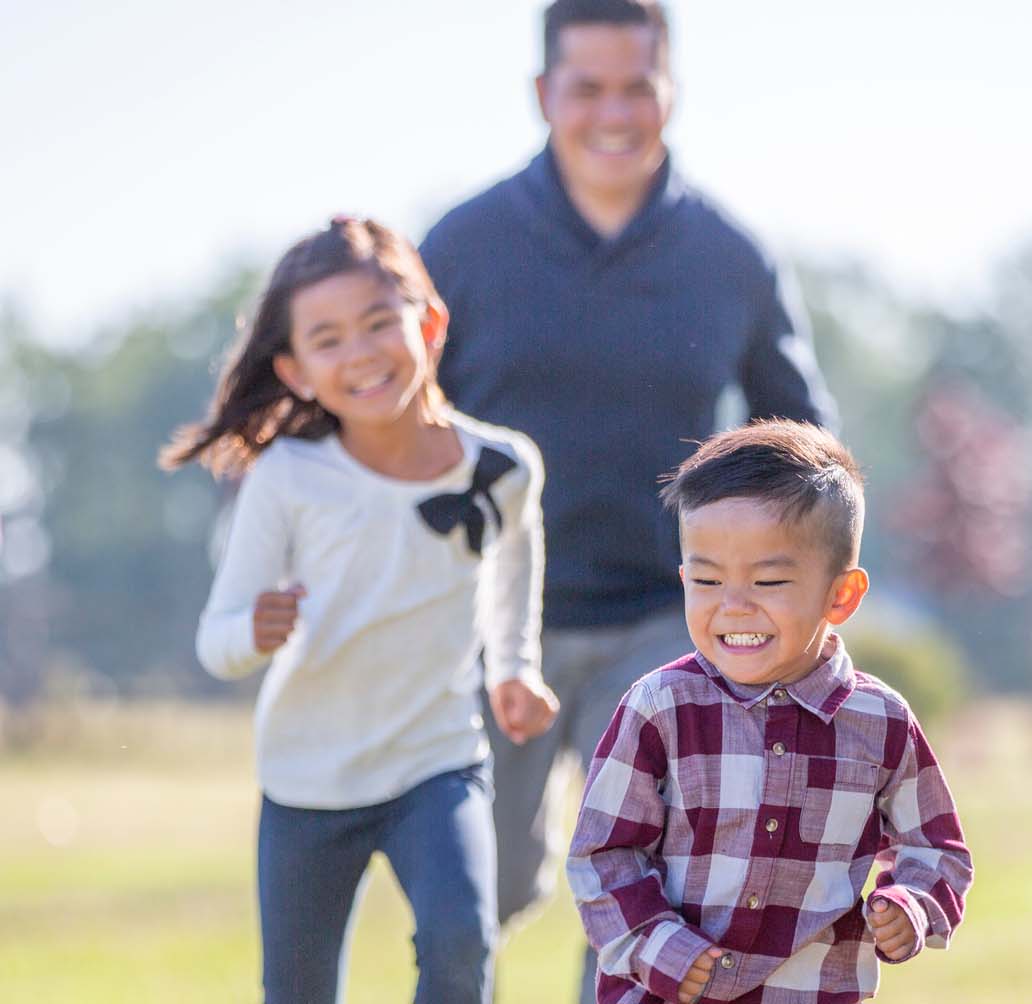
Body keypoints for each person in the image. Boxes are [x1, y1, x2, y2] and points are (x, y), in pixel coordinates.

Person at [417, 0, 836, 989]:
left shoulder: (730, 255)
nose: (615, 112)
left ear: (671, 91)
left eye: (637, 87)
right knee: (484, 889)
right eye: (587, 88)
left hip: (668, 616)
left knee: (647, 883)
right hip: (490, 624)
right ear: (543, 95)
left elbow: (805, 442)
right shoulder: (464, 245)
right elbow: (393, 426)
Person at [162, 217, 561, 1004]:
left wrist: (514, 666)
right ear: (298, 370)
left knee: (461, 941)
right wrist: (254, 632)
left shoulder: (505, 466)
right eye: (330, 339)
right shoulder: (287, 478)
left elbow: (517, 554)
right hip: (307, 780)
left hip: (436, 761)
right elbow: (216, 639)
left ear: (430, 324)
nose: (362, 353)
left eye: (380, 324)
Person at [568, 420, 971, 1004]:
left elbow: (938, 851)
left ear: (842, 596)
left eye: (769, 580)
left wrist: (911, 905)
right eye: (706, 580)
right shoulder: (661, 708)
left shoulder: (879, 722)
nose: (733, 607)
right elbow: (601, 855)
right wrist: (662, 947)